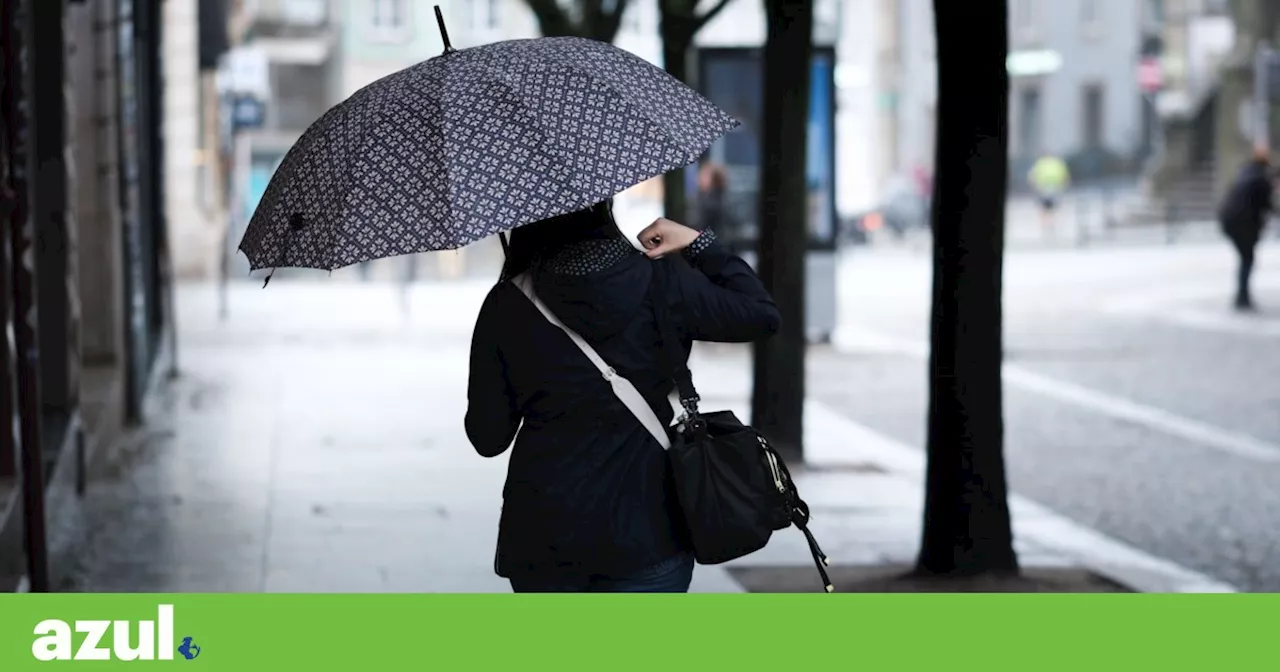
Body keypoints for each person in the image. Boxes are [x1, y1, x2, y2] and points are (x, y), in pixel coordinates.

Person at [465, 199, 780, 593]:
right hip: (649, 531)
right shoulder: (663, 280)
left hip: (544, 538)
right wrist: (698, 243)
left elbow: (487, 437)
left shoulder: (506, 305)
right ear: (604, 204)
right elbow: (761, 314)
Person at [1217, 148, 1274, 311]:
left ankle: (1242, 295)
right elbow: (1267, 206)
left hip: (1229, 219)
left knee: (1245, 258)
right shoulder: (1261, 180)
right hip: (1243, 223)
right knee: (1247, 258)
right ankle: (1242, 296)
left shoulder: (1243, 173)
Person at [1028, 154, 1070, 236]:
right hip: (1054, 188)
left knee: (1044, 208)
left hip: (1043, 188)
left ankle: (1045, 225)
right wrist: (1064, 185)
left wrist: (1033, 185)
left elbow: (1032, 175)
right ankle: (1050, 224)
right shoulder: (1057, 163)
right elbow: (1065, 176)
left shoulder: (1041, 163)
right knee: (1052, 208)